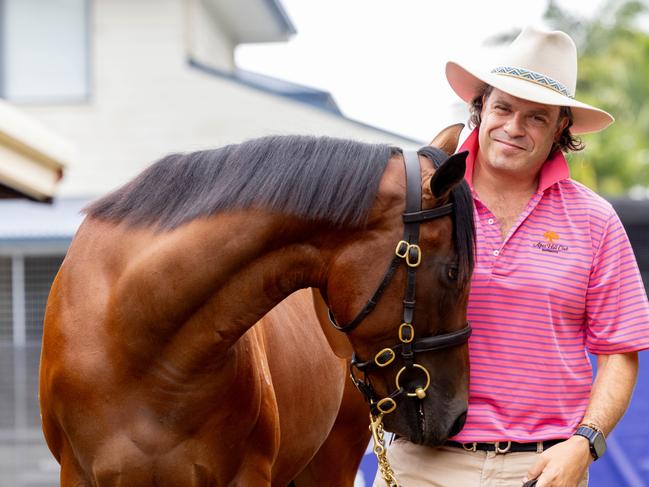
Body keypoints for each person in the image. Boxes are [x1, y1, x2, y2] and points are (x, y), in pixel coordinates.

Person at [374, 26, 649, 487]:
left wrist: (585, 443)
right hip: (420, 464)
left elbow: (619, 354)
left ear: (562, 126)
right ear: (480, 107)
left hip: (542, 470)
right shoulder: (419, 201)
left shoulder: (595, 220)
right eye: (503, 107)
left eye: (537, 117)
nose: (514, 128)